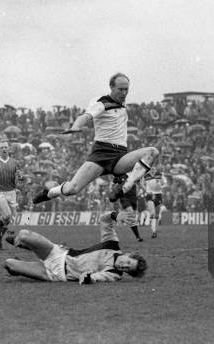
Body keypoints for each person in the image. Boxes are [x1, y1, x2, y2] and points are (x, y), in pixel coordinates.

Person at [33, 73, 159, 205]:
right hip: (102, 154)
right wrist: (76, 126)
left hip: (120, 156)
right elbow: (86, 116)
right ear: (111, 87)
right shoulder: (102, 103)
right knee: (72, 189)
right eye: (120, 89)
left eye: (126, 89)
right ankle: (50, 192)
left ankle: (124, 187)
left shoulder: (121, 102)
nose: (124, 93)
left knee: (153, 152)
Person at [3, 212, 147, 283]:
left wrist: (88, 278)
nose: (124, 266)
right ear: (128, 254)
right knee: (23, 234)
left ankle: (25, 259)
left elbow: (97, 277)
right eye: (128, 262)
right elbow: (104, 220)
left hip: (57, 275)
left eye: (128, 269)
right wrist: (115, 215)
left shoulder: (114, 274)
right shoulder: (112, 244)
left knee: (9, 264)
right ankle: (21, 244)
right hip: (59, 255)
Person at [0, 139, 24, 250]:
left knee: (8, 219)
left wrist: (21, 177)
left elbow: (21, 176)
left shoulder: (15, 162)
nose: (4, 149)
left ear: (9, 149)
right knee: (6, 215)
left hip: (11, 192)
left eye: (6, 147)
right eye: (2, 147)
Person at [112, 173, 143, 242]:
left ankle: (118, 221)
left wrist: (145, 191)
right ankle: (138, 237)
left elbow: (139, 184)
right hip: (124, 197)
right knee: (131, 213)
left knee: (131, 216)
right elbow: (114, 185)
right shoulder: (120, 174)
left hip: (133, 197)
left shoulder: (135, 173)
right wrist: (115, 191)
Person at [144, 170, 166, 238]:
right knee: (153, 214)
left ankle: (155, 230)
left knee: (156, 214)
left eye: (153, 168)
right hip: (149, 195)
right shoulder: (146, 175)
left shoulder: (160, 174)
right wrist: (147, 191)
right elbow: (142, 184)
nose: (152, 169)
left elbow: (164, 184)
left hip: (158, 195)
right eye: (151, 168)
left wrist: (160, 182)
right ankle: (154, 231)